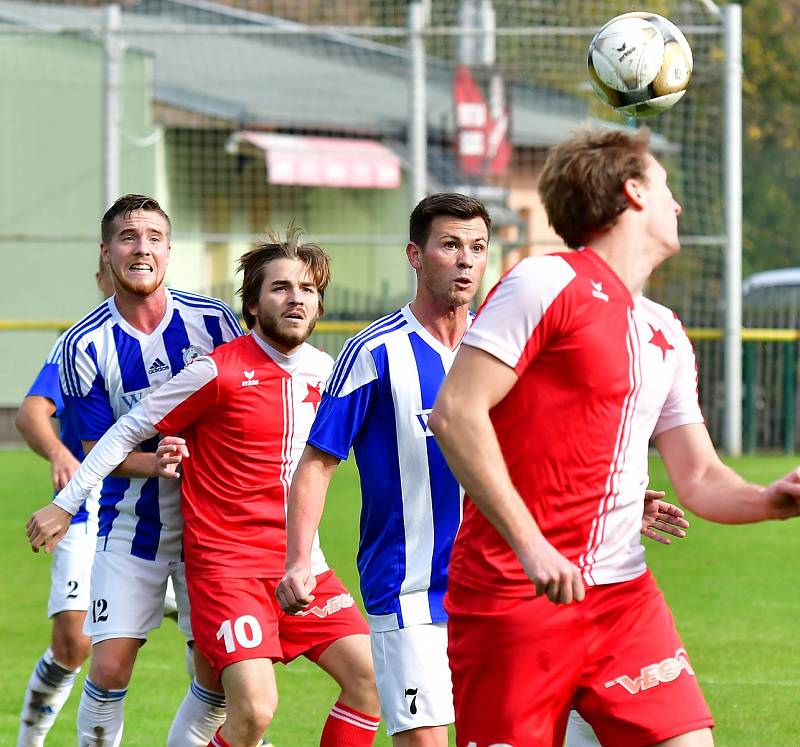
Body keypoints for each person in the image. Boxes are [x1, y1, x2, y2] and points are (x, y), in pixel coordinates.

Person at [428, 128, 800, 747]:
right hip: (514, 595)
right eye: (666, 187)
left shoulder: (665, 331)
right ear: (632, 192)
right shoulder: (545, 281)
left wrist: (769, 500)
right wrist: (533, 545)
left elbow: (702, 478)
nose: (677, 204)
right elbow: (456, 413)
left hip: (623, 599)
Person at [275, 193, 688, 747]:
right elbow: (318, 462)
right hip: (410, 588)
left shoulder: (506, 347)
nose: (467, 260)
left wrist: (618, 505)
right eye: (449, 245)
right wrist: (299, 559)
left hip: (509, 586)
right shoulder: (375, 352)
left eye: (477, 248)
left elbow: (546, 454)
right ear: (415, 256)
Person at [30, 231, 381, 747]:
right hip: (228, 570)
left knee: (370, 683)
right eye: (280, 288)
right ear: (254, 305)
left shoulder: (326, 372)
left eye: (307, 288)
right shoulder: (216, 371)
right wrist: (66, 504)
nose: (296, 298)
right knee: (256, 711)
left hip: (301, 564)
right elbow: (124, 430)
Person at [25, 194, 243, 747]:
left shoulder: (214, 321)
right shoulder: (82, 343)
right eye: (127, 236)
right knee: (109, 666)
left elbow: (240, 409)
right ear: (107, 252)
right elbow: (101, 448)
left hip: (209, 526)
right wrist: (158, 462)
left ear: (169, 251)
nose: (140, 247)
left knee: (218, 672)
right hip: (128, 523)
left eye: (152, 237)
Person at [15, 257, 113, 747]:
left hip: (169, 514)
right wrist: (58, 452)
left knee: (211, 646)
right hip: (88, 511)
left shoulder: (182, 333)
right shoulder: (79, 344)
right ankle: (28, 741)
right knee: (74, 643)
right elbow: (32, 412)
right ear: (101, 276)